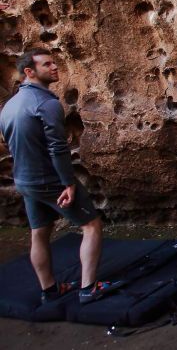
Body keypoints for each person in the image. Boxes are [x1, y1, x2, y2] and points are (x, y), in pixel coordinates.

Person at [0, 49, 121, 305]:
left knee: (39, 233)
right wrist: (68, 183)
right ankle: (89, 288)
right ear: (29, 72)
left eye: (54, 62)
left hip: (24, 180)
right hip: (49, 180)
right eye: (47, 64)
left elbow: (10, 144)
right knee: (92, 226)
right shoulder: (46, 104)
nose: (55, 67)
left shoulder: (9, 106)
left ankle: (50, 290)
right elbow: (57, 147)